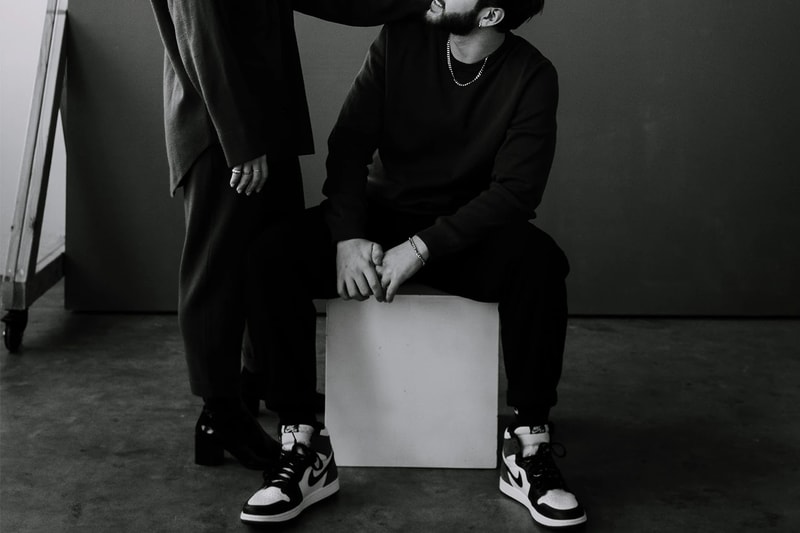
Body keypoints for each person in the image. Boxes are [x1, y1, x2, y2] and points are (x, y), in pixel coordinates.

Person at [240, 0, 587, 528]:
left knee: (540, 265)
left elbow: (516, 192)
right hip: (380, 217)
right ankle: (302, 445)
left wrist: (422, 247)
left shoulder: (531, 75)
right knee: (271, 256)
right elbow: (349, 145)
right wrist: (349, 235)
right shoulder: (400, 39)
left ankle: (529, 445)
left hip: (462, 234)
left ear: (491, 16)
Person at [148, 0, 431, 472]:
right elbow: (201, 36)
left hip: (264, 125)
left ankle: (257, 383)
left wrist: (420, 1)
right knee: (216, 273)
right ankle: (219, 415)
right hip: (224, 130)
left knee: (266, 258)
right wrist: (240, 141)